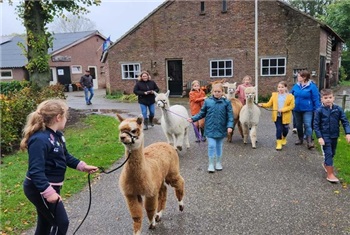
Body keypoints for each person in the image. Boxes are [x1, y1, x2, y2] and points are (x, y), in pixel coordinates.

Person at [20, 99, 99, 234]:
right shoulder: (40, 140)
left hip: (51, 187)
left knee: (45, 222)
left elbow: (65, 156)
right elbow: (35, 171)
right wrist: (48, 193)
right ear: (58, 118)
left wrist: (82, 166)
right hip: (39, 188)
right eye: (66, 116)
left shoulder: (57, 136)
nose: (67, 119)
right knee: (60, 222)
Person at [188, 83, 233, 173]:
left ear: (222, 92)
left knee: (219, 146)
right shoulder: (208, 101)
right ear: (212, 92)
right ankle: (211, 164)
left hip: (221, 128)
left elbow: (230, 116)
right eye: (215, 91)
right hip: (210, 128)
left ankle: (218, 162)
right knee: (211, 145)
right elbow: (202, 113)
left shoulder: (226, 102)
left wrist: (229, 126)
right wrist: (193, 119)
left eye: (219, 91)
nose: (217, 93)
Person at [314, 89, 350, 183]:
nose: (328, 100)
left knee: (332, 152)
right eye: (325, 98)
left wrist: (348, 133)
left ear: (333, 98)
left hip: (334, 135)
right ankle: (330, 174)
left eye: (330, 97)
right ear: (321, 99)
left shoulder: (338, 109)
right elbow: (316, 125)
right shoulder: (319, 111)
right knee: (328, 153)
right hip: (325, 135)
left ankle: (326, 163)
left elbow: (345, 122)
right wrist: (319, 137)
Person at [258, 81, 295, 150]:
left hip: (286, 116)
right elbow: (269, 104)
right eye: (279, 87)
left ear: (285, 88)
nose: (280, 89)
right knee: (279, 129)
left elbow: (292, 106)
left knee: (285, 130)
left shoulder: (290, 97)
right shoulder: (274, 95)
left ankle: (284, 138)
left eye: (282, 87)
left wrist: (283, 109)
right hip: (277, 116)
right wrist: (262, 105)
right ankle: (278, 143)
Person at [290, 70, 320, 149]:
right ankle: (300, 139)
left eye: (299, 76)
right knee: (298, 125)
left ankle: (309, 141)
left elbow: (316, 98)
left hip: (308, 109)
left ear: (304, 77)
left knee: (307, 124)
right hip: (296, 109)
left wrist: (317, 110)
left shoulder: (312, 86)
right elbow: (290, 96)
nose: (297, 77)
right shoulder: (296, 86)